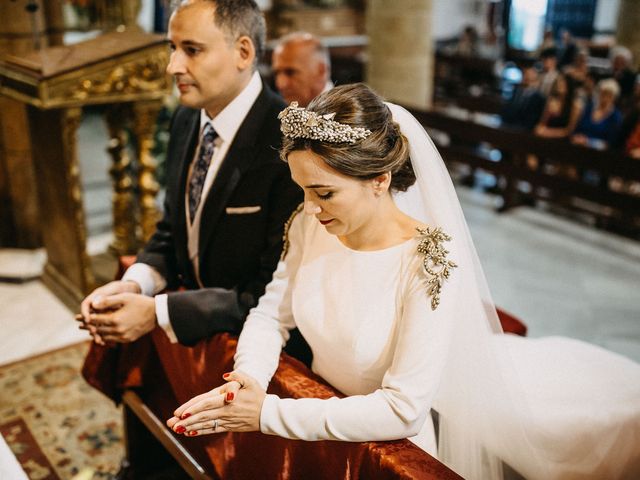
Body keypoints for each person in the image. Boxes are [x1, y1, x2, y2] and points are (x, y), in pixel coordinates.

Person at [166, 84, 640, 480]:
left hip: (386, 453)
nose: (309, 207)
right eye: (303, 190)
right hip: (316, 422)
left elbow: (403, 409)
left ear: (379, 179)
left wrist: (267, 414)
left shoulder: (430, 258)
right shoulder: (313, 223)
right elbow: (272, 313)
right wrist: (248, 377)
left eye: (325, 192)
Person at [77, 0, 310, 362]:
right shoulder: (187, 120)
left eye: (192, 50)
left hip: (263, 349)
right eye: (172, 47)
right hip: (201, 328)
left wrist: (158, 312)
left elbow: (272, 293)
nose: (173, 66)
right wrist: (135, 282)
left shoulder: (289, 146)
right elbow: (174, 228)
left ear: (243, 52)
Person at [271, 32, 333, 108]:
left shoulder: (347, 116)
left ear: (321, 71)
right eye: (277, 73)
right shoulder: (276, 113)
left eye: (290, 72)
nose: (281, 84)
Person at [572, 78, 622, 149]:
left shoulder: (615, 116)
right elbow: (577, 129)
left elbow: (610, 143)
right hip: (577, 145)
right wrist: (576, 137)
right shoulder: (589, 108)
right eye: (603, 93)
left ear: (614, 97)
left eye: (609, 95)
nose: (605, 98)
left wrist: (588, 142)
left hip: (598, 153)